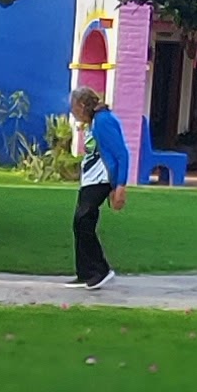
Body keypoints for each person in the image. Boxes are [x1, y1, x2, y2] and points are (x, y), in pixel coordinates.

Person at [70, 86, 128, 288]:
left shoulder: (104, 121)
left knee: (84, 222)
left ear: (83, 105)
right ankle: (85, 272)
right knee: (80, 223)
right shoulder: (94, 123)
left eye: (74, 106)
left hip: (101, 179)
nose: (73, 111)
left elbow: (121, 153)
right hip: (90, 180)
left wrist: (120, 185)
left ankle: (100, 270)